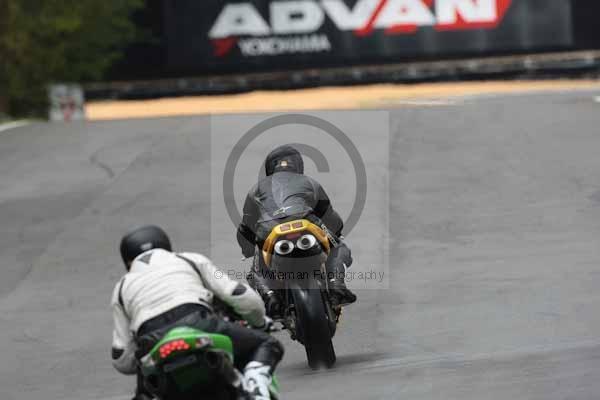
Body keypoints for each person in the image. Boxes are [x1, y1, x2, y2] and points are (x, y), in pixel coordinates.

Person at [111, 225, 284, 400]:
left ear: (127, 261)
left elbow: (122, 357)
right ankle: (256, 389)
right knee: (267, 344)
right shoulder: (188, 259)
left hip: (151, 343)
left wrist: (143, 360)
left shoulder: (121, 287)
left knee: (145, 393)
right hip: (199, 323)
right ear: (166, 246)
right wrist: (259, 323)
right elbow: (240, 295)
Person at [237, 144, 357, 317]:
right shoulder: (310, 182)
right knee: (339, 248)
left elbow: (246, 226)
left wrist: (248, 249)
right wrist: (336, 233)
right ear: (298, 165)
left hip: (269, 229)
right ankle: (336, 285)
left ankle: (270, 298)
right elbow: (329, 216)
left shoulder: (255, 189)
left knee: (257, 269)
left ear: (270, 167)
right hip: (304, 220)